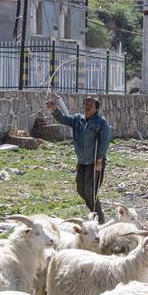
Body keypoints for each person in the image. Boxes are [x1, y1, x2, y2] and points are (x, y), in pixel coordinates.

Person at [45, 94, 112, 223]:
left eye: (90, 104)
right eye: (86, 103)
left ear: (96, 108)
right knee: (81, 189)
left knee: (90, 191)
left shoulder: (101, 123)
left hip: (94, 162)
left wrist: (99, 160)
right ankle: (95, 213)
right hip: (82, 161)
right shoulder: (77, 119)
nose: (87, 106)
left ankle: (99, 217)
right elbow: (64, 119)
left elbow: (104, 142)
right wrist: (54, 110)